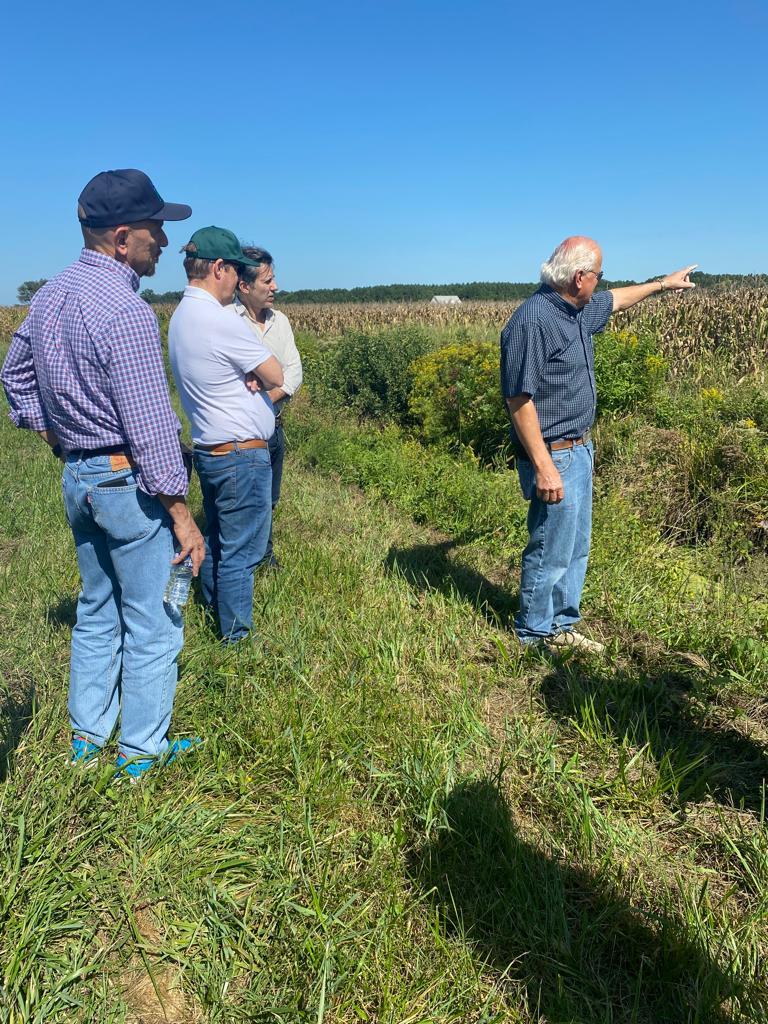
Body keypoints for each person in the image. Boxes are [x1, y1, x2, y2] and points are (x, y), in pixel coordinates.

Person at [1, 168, 205, 780]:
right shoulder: (126, 311)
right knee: (154, 621)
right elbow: (149, 429)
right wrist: (181, 516)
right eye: (155, 231)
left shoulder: (50, 296)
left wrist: (53, 432)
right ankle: (140, 752)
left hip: (80, 479)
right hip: (127, 483)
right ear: (122, 237)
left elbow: (14, 375)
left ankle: (88, 739)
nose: (164, 244)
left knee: (96, 608)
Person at [500, 236, 696, 653]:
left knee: (575, 546)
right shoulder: (533, 321)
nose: (601, 283)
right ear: (578, 277)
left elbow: (617, 300)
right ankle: (532, 634)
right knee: (550, 547)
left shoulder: (577, 311)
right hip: (554, 453)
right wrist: (543, 465)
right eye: (598, 275)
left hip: (579, 450)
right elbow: (518, 398)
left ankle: (562, 624)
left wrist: (662, 284)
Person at [168, 227, 284, 643]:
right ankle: (235, 639)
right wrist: (253, 371)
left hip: (211, 450)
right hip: (240, 454)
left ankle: (215, 611)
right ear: (219, 268)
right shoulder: (220, 322)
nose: (239, 281)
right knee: (242, 553)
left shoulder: (181, 317)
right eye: (236, 271)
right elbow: (276, 373)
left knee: (219, 541)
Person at [231, 247, 303, 569]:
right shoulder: (228, 322)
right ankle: (239, 558)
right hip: (240, 430)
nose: (275, 287)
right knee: (241, 500)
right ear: (245, 286)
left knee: (269, 499)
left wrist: (267, 398)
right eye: (268, 281)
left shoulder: (281, 322)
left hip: (275, 422)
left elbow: (294, 372)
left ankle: (265, 554)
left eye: (274, 280)